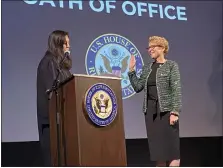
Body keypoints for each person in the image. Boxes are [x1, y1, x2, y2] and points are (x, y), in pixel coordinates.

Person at [128, 36, 182, 167]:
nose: (150, 50)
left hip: (167, 113)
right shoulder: (147, 68)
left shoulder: (171, 66)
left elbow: (176, 89)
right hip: (151, 114)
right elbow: (138, 87)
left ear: (162, 48)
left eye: (153, 47)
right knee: (159, 154)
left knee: (173, 153)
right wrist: (131, 71)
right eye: (149, 47)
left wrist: (175, 112)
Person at [36, 30, 72, 166]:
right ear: (58, 44)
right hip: (53, 125)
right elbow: (52, 93)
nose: (68, 46)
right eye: (66, 43)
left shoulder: (61, 66)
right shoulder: (48, 63)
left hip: (65, 124)